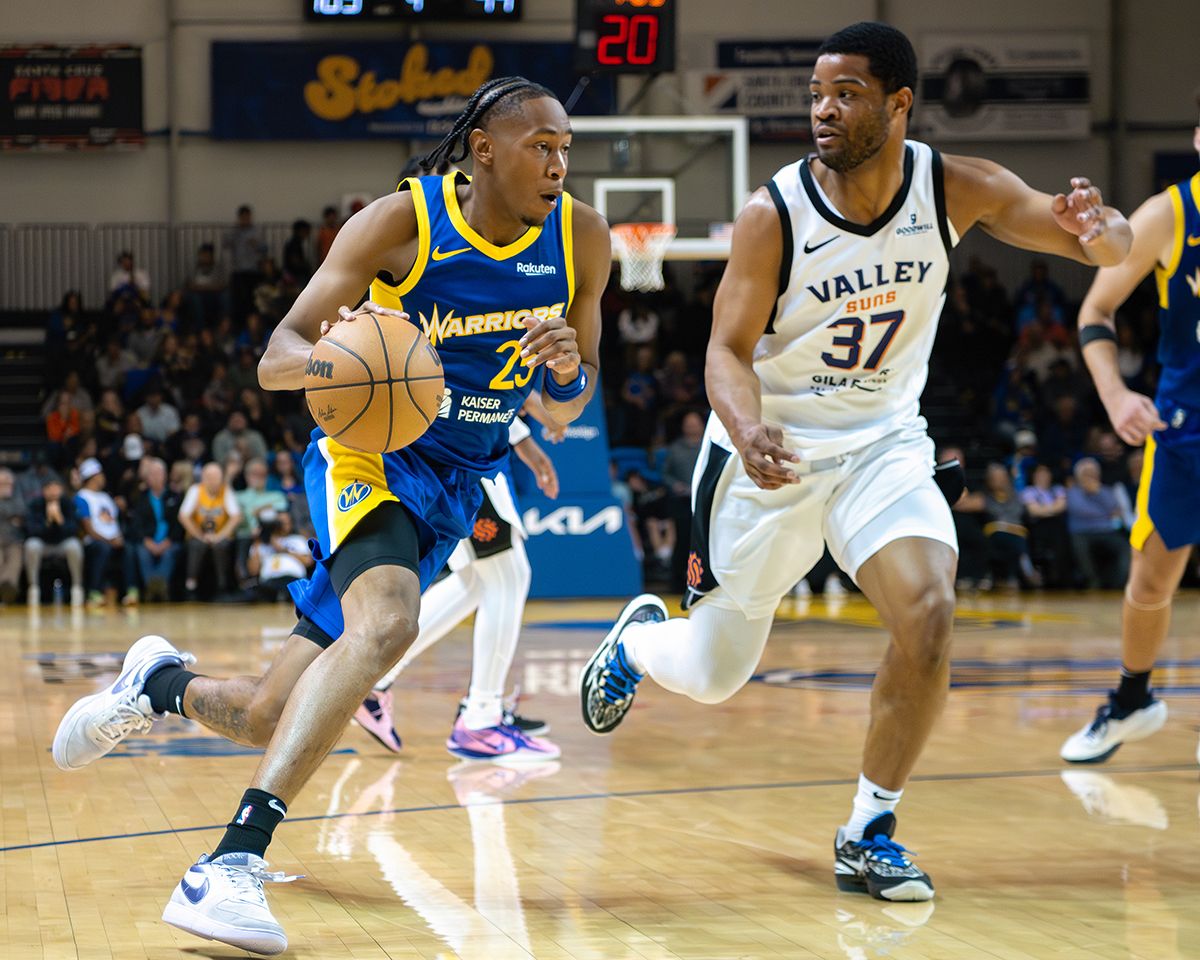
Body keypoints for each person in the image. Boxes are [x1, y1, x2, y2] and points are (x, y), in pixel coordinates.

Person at [52, 76, 608, 954]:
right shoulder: (403, 223)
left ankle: (155, 684)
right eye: (542, 146)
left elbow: (570, 406)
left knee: (270, 714)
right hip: (369, 456)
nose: (559, 164)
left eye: (566, 148)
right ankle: (228, 864)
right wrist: (348, 367)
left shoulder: (581, 236)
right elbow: (277, 356)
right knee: (388, 624)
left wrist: (569, 371)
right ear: (485, 150)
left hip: (460, 483)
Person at [579, 21, 1130, 904]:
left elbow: (1103, 248)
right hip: (773, 454)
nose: (824, 110)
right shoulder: (774, 213)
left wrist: (1102, 230)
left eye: (846, 94)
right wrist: (748, 425)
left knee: (931, 613)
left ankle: (869, 829)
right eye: (816, 94)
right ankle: (642, 642)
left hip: (883, 444)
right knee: (718, 676)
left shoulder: (955, 187)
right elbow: (724, 350)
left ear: (899, 103)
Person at [354, 413, 562, 756]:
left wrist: (527, 438)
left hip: (458, 451)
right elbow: (482, 374)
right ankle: (481, 717)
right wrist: (536, 427)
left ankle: (375, 684)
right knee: (510, 575)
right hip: (464, 451)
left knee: (476, 582)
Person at [75, 458, 135, 607]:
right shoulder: (81, 497)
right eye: (100, 474)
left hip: (112, 540)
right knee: (103, 549)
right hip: (93, 541)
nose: (103, 478)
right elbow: (88, 528)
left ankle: (131, 592)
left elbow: (114, 523)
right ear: (92, 477)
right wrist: (109, 541)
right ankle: (94, 593)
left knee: (128, 548)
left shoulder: (105, 497)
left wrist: (118, 538)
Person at [1064, 457, 1130, 590]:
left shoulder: (1105, 491)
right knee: (1080, 551)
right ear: (1078, 476)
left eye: (1093, 473)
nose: (1090, 476)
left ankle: (1117, 584)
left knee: (1126, 549)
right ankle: (1093, 582)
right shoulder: (1072, 492)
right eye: (1086, 473)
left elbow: (1116, 509)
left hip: (1107, 531)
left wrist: (1098, 493)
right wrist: (1105, 513)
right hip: (1082, 533)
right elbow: (1080, 510)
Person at [178, 461, 241, 599]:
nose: (214, 481)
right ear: (203, 478)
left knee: (221, 546)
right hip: (198, 535)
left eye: (217, 477)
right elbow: (183, 516)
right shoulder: (195, 490)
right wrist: (200, 536)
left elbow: (236, 517)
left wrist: (219, 536)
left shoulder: (226, 491)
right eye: (210, 477)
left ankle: (222, 587)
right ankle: (191, 586)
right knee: (196, 545)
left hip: (219, 535)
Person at [24, 477, 84, 607]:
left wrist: (60, 520)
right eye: (49, 488)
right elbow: (31, 530)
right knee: (31, 545)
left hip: (62, 543)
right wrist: (48, 522)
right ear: (43, 491)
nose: (53, 492)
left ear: (61, 490)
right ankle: (33, 587)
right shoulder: (35, 504)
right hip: (43, 543)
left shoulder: (68, 504)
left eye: (56, 488)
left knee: (74, 546)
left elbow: (74, 530)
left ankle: (77, 587)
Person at [129, 458, 182, 603]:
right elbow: (136, 524)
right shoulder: (140, 497)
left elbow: (179, 524)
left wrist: (168, 541)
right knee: (142, 552)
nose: (156, 477)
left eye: (159, 473)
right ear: (147, 477)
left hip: (169, 540)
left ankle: (155, 589)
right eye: (152, 474)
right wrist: (147, 541)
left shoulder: (175, 496)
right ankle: (154, 588)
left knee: (170, 553)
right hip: (147, 540)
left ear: (165, 475)